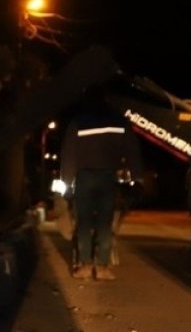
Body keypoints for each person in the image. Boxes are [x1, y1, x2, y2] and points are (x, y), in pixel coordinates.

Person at [59, 87, 144, 281]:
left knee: (84, 223)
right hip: (107, 177)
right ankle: (103, 267)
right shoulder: (119, 121)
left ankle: (85, 265)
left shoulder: (78, 122)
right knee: (105, 222)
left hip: (84, 178)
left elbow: (68, 155)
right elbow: (132, 150)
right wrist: (137, 179)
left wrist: (67, 184)